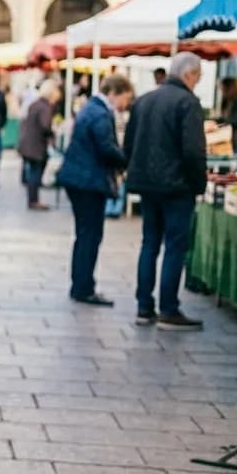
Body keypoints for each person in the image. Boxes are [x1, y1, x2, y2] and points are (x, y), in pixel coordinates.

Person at [126, 52, 207, 331]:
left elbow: (129, 143)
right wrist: (198, 184)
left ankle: (144, 307)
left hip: (148, 184)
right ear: (189, 75)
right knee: (175, 246)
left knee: (150, 243)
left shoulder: (145, 100)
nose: (197, 82)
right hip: (176, 186)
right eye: (198, 77)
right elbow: (194, 151)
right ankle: (169, 308)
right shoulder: (188, 103)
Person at [56, 75, 134, 307]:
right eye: (125, 99)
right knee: (90, 235)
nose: (124, 105)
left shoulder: (91, 108)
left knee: (84, 235)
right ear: (114, 93)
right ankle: (83, 287)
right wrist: (128, 160)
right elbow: (106, 148)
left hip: (79, 179)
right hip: (87, 181)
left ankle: (81, 284)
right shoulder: (100, 113)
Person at [18, 79, 61, 211]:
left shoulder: (35, 104)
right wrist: (53, 131)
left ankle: (32, 199)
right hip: (36, 144)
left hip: (28, 142)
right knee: (35, 172)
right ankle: (33, 200)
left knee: (33, 172)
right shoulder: (45, 107)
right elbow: (45, 126)